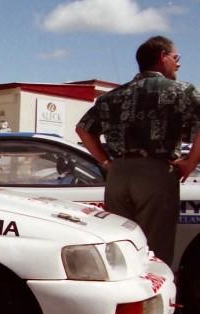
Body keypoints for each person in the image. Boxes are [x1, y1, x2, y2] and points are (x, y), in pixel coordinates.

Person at [76, 35, 200, 266]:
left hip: (118, 176)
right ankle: (156, 299)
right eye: (176, 57)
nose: (179, 63)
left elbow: (83, 130)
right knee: (156, 251)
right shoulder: (181, 91)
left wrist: (106, 164)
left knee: (121, 247)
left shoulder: (113, 96)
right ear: (163, 57)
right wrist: (190, 162)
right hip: (155, 175)